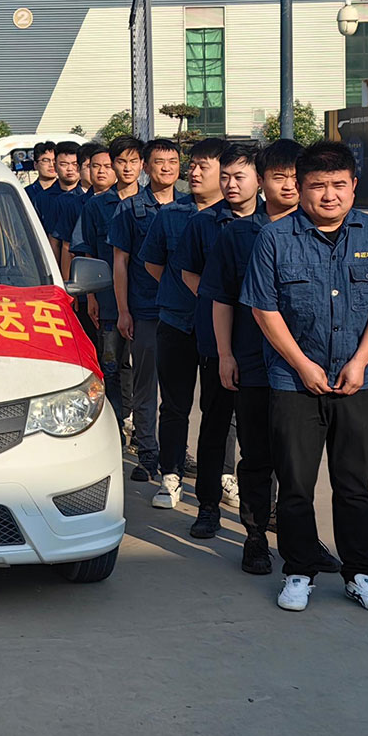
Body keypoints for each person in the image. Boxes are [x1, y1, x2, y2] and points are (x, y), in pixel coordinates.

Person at [244, 141, 368, 614]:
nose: (329, 195)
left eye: (339, 184)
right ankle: (298, 571)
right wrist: (301, 364)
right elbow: (264, 309)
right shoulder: (274, 238)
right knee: (296, 485)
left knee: (353, 485)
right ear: (299, 189)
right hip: (292, 383)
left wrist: (360, 360)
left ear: (354, 186)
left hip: (358, 382)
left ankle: (359, 574)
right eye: (317, 186)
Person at [200, 138, 302, 574]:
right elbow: (221, 298)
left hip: (303, 369)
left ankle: (299, 539)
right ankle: (255, 538)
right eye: (280, 177)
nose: (290, 186)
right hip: (253, 362)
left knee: (297, 460)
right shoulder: (238, 234)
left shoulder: (319, 233)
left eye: (297, 177)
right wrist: (225, 354)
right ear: (262, 181)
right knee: (256, 455)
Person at [174, 141, 261, 538]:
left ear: (258, 179)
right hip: (217, 341)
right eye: (224, 177)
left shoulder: (274, 223)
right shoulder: (203, 222)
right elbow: (188, 271)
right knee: (215, 425)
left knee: (261, 434)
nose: (230, 184)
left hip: (263, 345)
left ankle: (264, 510)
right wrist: (220, 300)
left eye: (239, 176)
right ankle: (207, 506)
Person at [138, 136, 228, 511]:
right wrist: (181, 291)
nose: (193, 172)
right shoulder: (171, 214)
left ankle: (223, 474)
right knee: (174, 405)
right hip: (176, 321)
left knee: (221, 407)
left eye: (203, 166)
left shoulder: (236, 218)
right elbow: (152, 262)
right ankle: (170, 473)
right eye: (192, 165)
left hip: (222, 328)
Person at [109, 136, 184, 483]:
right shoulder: (129, 208)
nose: (166, 168)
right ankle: (148, 453)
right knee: (145, 386)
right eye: (159, 162)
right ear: (146, 167)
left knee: (178, 389)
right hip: (146, 309)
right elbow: (120, 263)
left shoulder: (189, 206)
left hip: (184, 312)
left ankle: (175, 453)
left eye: (172, 162)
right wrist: (124, 310)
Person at [69, 142, 128, 421]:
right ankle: (116, 423)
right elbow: (87, 251)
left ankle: (134, 420)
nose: (103, 171)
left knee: (138, 369)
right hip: (107, 301)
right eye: (97, 166)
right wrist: (90, 296)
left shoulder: (146, 203)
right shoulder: (94, 206)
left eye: (108, 166)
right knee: (110, 365)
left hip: (143, 301)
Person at [24, 141, 58, 210]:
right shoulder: (26, 193)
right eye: (46, 160)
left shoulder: (66, 190)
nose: (51, 165)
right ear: (35, 165)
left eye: (54, 160)